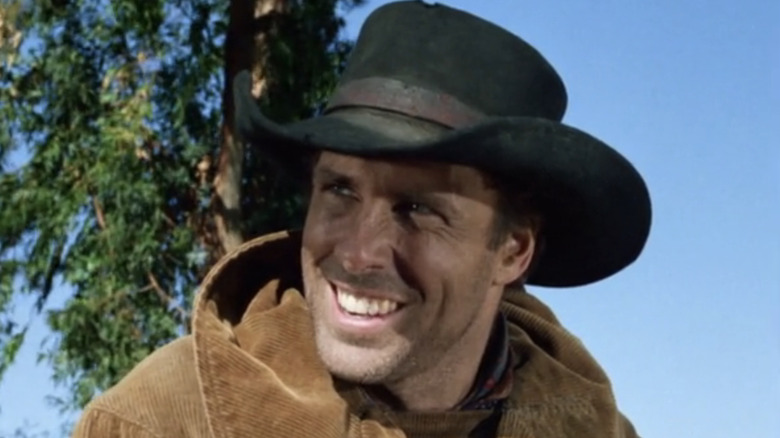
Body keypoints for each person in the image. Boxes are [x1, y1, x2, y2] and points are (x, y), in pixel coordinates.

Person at [72, 1, 651, 437]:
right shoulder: (157, 422)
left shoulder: (595, 427)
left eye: (420, 209)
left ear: (513, 252)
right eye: (340, 190)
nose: (357, 252)